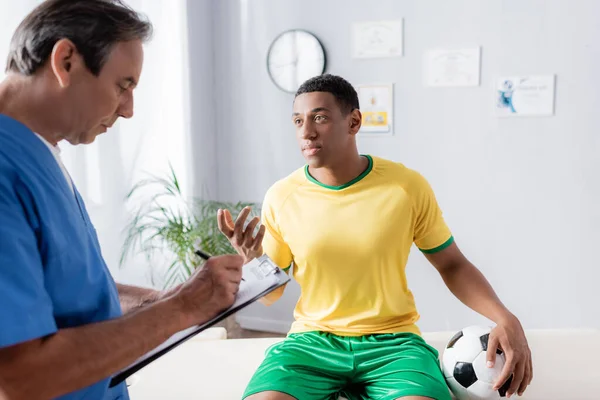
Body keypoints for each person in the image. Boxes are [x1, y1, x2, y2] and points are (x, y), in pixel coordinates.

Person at [218, 74, 533, 400]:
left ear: (353, 122)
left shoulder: (406, 187)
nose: (306, 132)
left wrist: (504, 317)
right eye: (298, 120)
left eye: (320, 118)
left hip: (394, 343)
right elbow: (271, 293)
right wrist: (253, 260)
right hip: (312, 342)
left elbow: (452, 265)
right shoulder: (282, 196)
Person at [0, 1, 243, 399]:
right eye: (123, 86)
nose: (128, 110)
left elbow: (70, 287)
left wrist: (155, 300)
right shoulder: (6, 168)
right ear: (66, 61)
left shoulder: (39, 153)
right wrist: (180, 308)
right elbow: (22, 377)